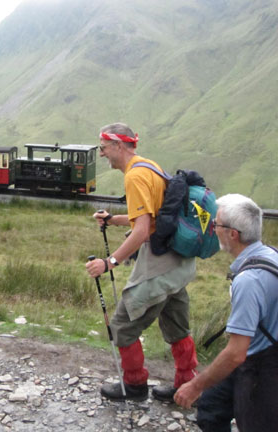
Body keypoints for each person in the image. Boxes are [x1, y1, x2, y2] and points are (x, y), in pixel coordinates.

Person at [85, 123, 198, 402]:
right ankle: (187, 383)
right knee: (176, 325)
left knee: (123, 325)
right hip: (178, 264)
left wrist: (108, 262)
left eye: (103, 148)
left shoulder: (134, 176)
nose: (102, 154)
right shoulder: (149, 166)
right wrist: (113, 220)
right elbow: (151, 217)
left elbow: (142, 230)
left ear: (118, 146)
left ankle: (134, 385)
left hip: (158, 266)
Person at [174, 194, 278, 431]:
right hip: (259, 354)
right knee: (211, 409)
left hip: (260, 366)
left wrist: (195, 385)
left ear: (233, 234)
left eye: (217, 225)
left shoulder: (248, 280)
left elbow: (235, 354)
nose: (213, 229)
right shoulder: (271, 254)